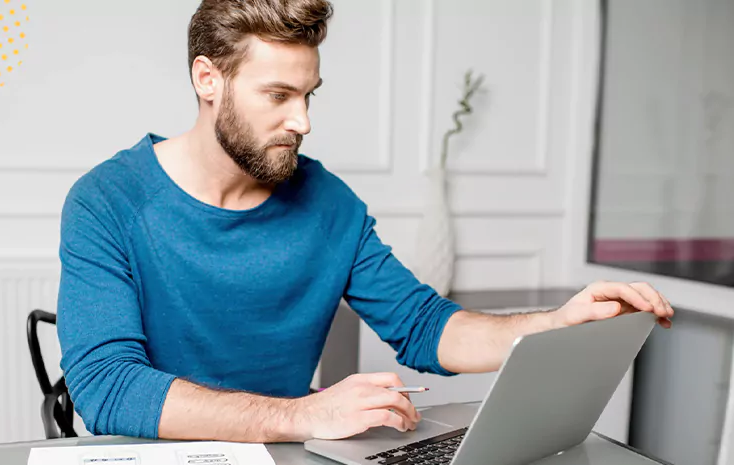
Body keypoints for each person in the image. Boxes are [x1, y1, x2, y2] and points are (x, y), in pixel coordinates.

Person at [56, 0, 674, 443]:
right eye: (278, 95)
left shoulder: (329, 203)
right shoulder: (107, 202)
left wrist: (556, 324)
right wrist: (300, 415)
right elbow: (108, 388)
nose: (302, 121)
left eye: (310, 94)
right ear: (207, 78)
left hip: (286, 453)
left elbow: (425, 326)